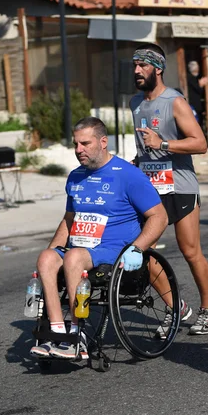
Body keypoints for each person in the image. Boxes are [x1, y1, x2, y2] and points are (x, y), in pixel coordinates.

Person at [30, 116, 168, 359]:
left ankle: (77, 335)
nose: (78, 150)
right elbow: (69, 220)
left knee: (73, 257)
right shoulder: (75, 177)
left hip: (114, 249)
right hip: (81, 247)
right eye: (76, 144)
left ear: (103, 142)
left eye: (85, 144)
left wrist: (137, 249)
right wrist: (52, 252)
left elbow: (159, 217)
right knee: (45, 259)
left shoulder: (128, 175)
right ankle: (57, 331)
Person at [130, 43, 208, 336]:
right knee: (142, 252)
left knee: (190, 250)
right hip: (150, 188)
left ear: (157, 68)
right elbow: (145, 148)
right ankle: (176, 308)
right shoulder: (134, 103)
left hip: (180, 186)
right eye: (134, 66)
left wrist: (164, 144)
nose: (136, 71)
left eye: (143, 65)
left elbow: (200, 143)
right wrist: (133, 165)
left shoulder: (175, 102)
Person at [187, 61, 207, 128]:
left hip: (196, 104)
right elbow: (198, 89)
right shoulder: (190, 78)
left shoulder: (194, 77)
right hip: (193, 103)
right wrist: (201, 84)